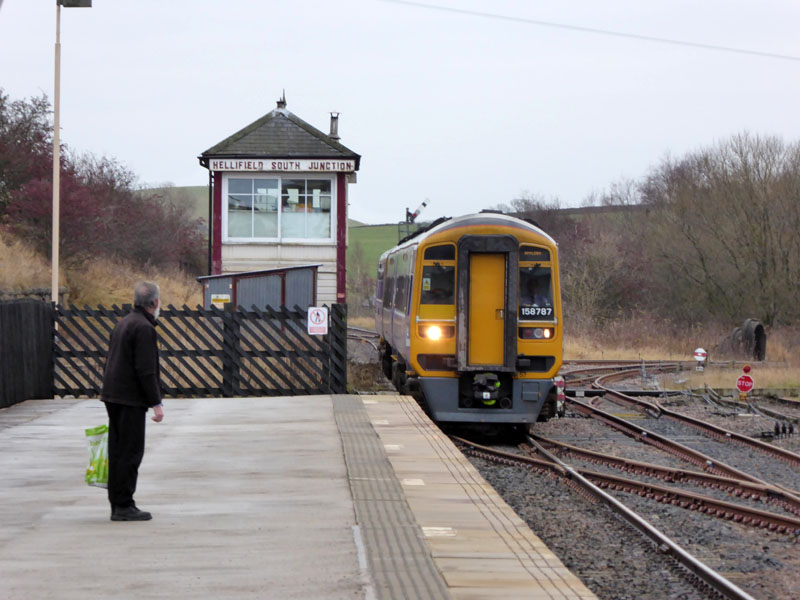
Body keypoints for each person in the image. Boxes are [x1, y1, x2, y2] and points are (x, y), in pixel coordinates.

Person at [101, 281, 165, 521]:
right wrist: (156, 403)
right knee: (130, 451)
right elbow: (146, 370)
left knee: (118, 450)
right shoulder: (144, 328)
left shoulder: (124, 323)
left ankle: (117, 503)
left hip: (113, 394)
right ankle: (124, 505)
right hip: (129, 398)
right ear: (155, 303)